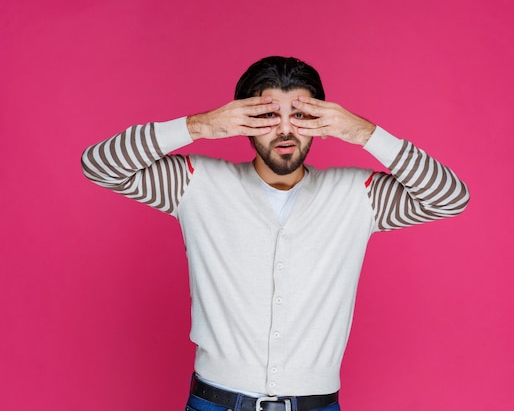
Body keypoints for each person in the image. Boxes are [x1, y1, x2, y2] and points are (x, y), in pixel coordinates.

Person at [81, 56, 470, 411]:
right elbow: (99, 165)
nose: (285, 130)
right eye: (268, 116)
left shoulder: (359, 194)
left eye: (300, 116)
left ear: (322, 121)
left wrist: (365, 133)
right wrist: (199, 125)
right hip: (214, 402)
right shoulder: (194, 183)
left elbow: (451, 198)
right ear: (241, 120)